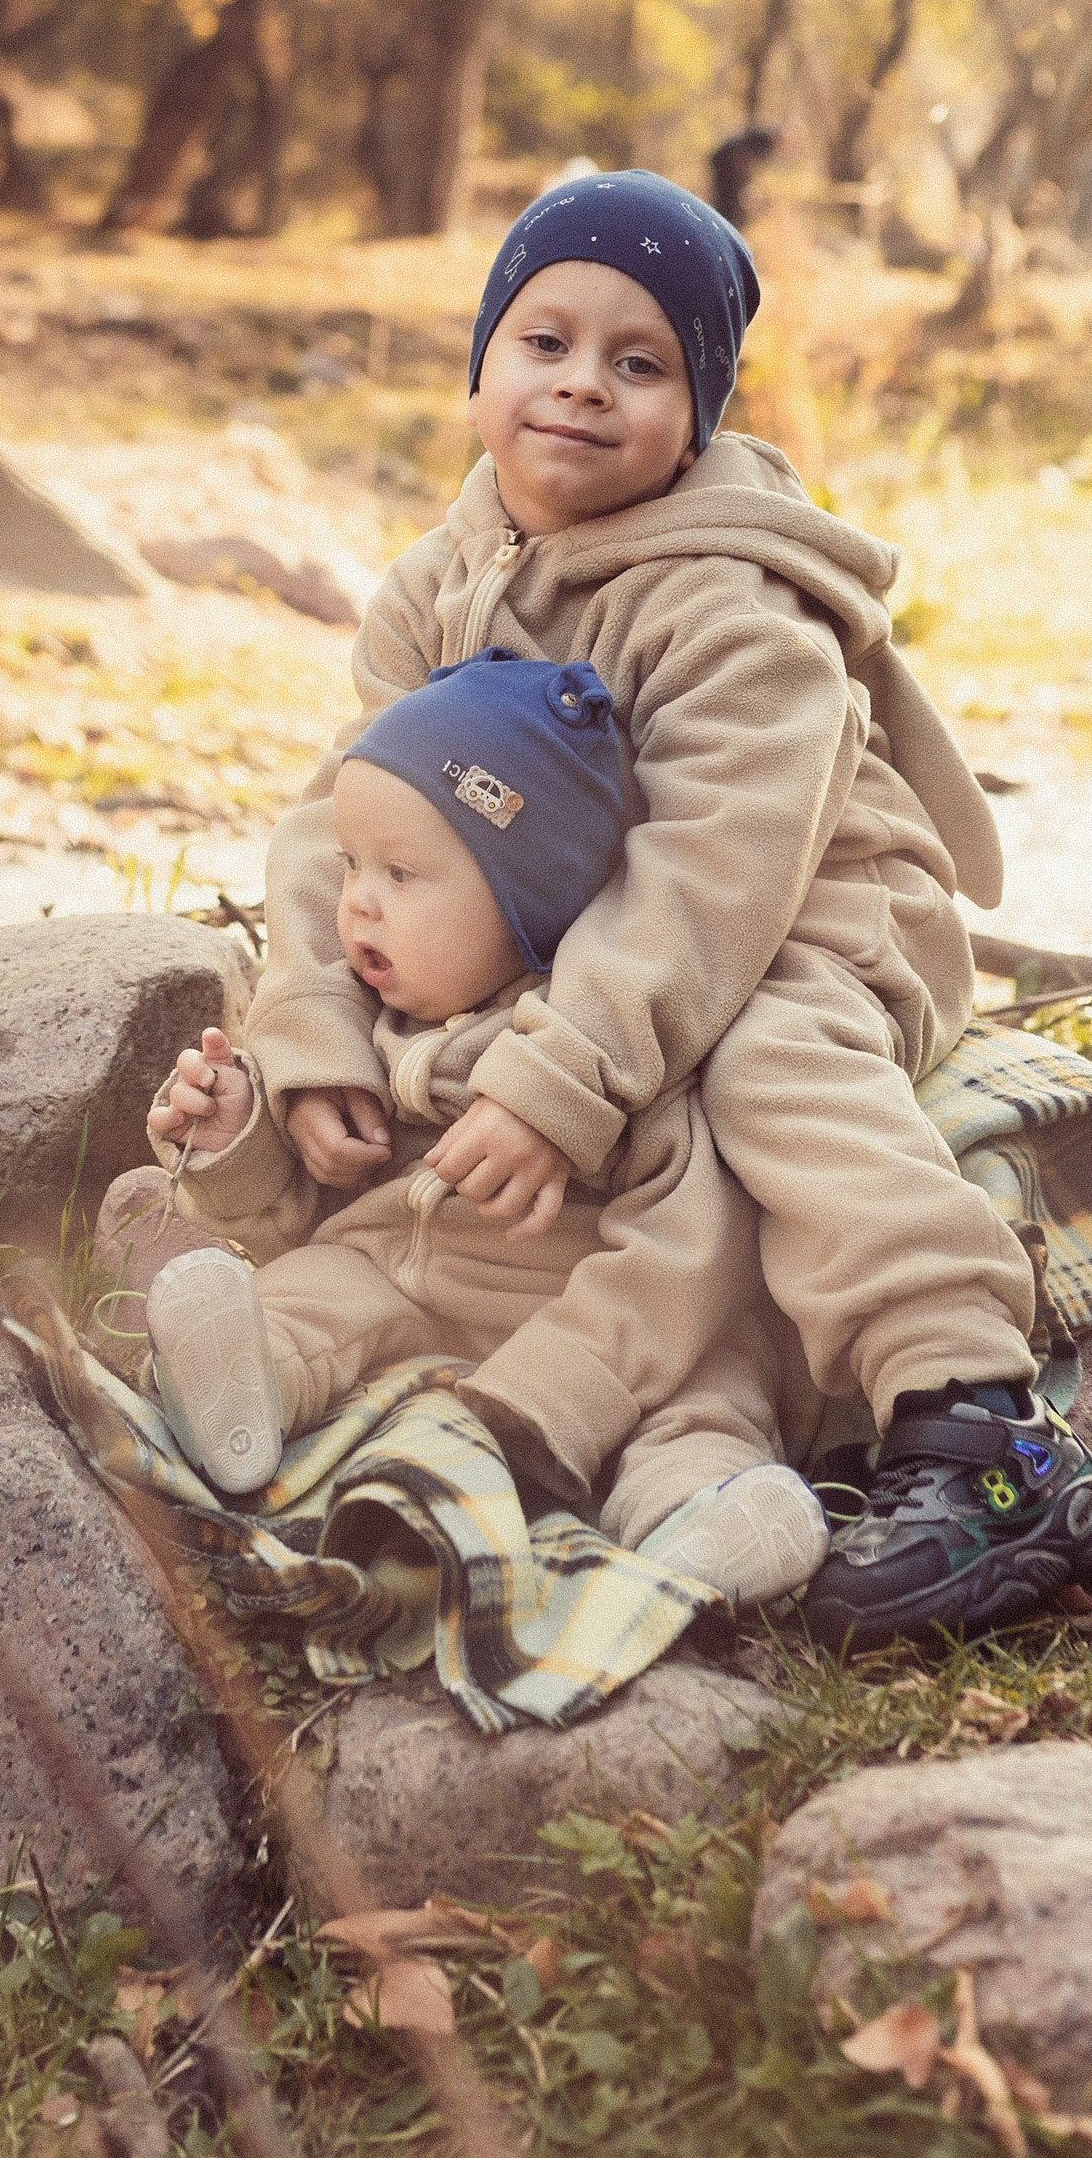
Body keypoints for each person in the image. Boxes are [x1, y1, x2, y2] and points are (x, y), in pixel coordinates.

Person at [212, 169, 1092, 1650]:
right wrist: (315, 1016)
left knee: (757, 1063)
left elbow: (717, 869)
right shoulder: (435, 584)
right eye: (546, 343)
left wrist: (562, 1072)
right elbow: (348, 813)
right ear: (479, 372)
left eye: (640, 363)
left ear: (697, 411)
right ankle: (340, 1344)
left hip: (808, 908)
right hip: (584, 912)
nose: (585, 385)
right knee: (433, 1044)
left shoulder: (734, 607)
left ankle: (982, 1424)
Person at [142, 649, 833, 1612]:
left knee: (705, 1399)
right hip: (404, 1281)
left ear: (532, 901)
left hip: (607, 1335)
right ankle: (243, 1383)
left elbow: (688, 1265)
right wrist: (235, 1138)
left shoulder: (601, 1060)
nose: (356, 903)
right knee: (311, 1292)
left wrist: (550, 1393)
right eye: (348, 865)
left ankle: (701, 1513)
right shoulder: (376, 1032)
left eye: (402, 871)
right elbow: (293, 1211)